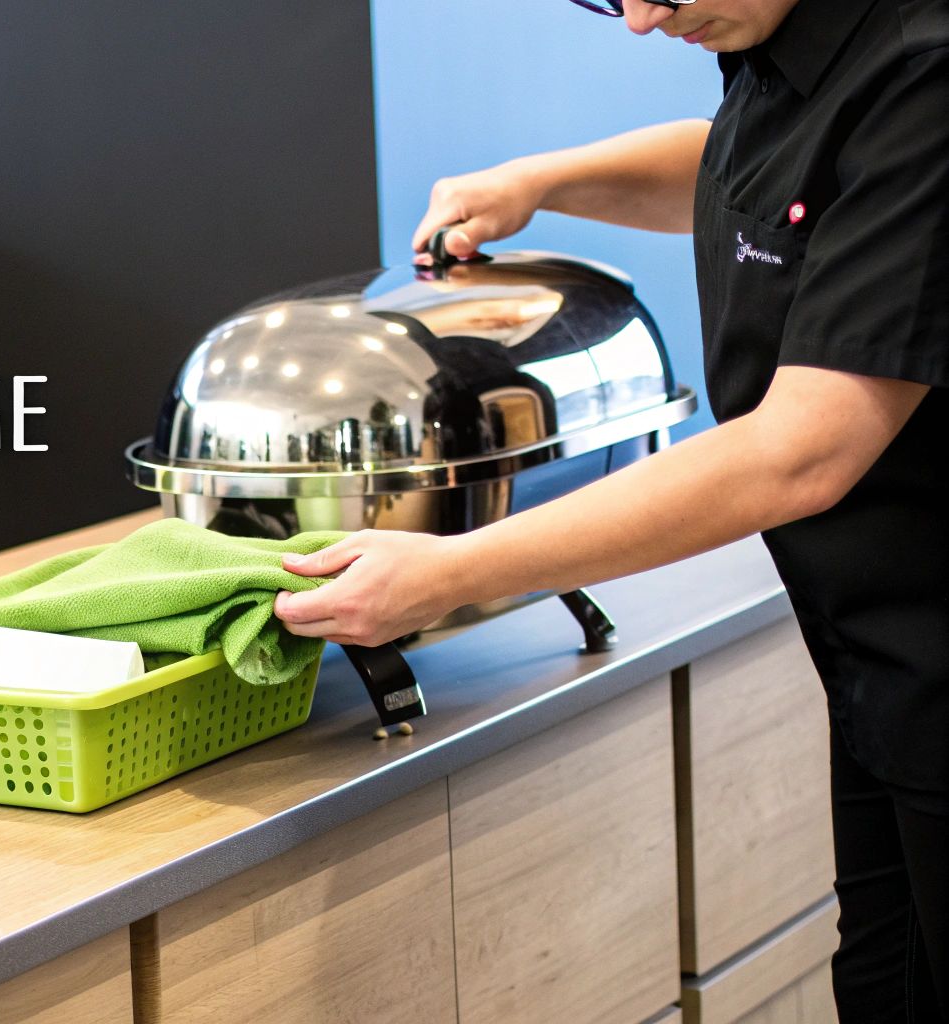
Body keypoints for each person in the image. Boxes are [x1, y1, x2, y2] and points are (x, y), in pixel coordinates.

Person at [273, 0, 947, 1019]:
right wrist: (538, 185)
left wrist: (453, 571)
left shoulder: (924, 76)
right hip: (873, 674)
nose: (636, 22)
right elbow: (752, 174)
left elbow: (800, 451)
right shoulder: (779, 37)